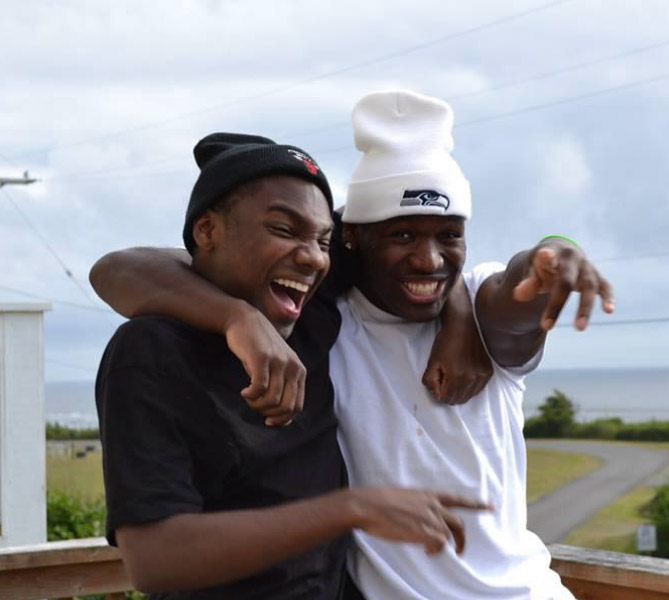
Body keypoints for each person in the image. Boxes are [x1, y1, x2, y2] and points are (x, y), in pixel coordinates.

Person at [93, 91, 613, 600]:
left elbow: (489, 274)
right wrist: (238, 320)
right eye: (282, 228)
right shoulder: (176, 346)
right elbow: (115, 269)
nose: (310, 257)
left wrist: (555, 250)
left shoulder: (329, 310)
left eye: (321, 241)